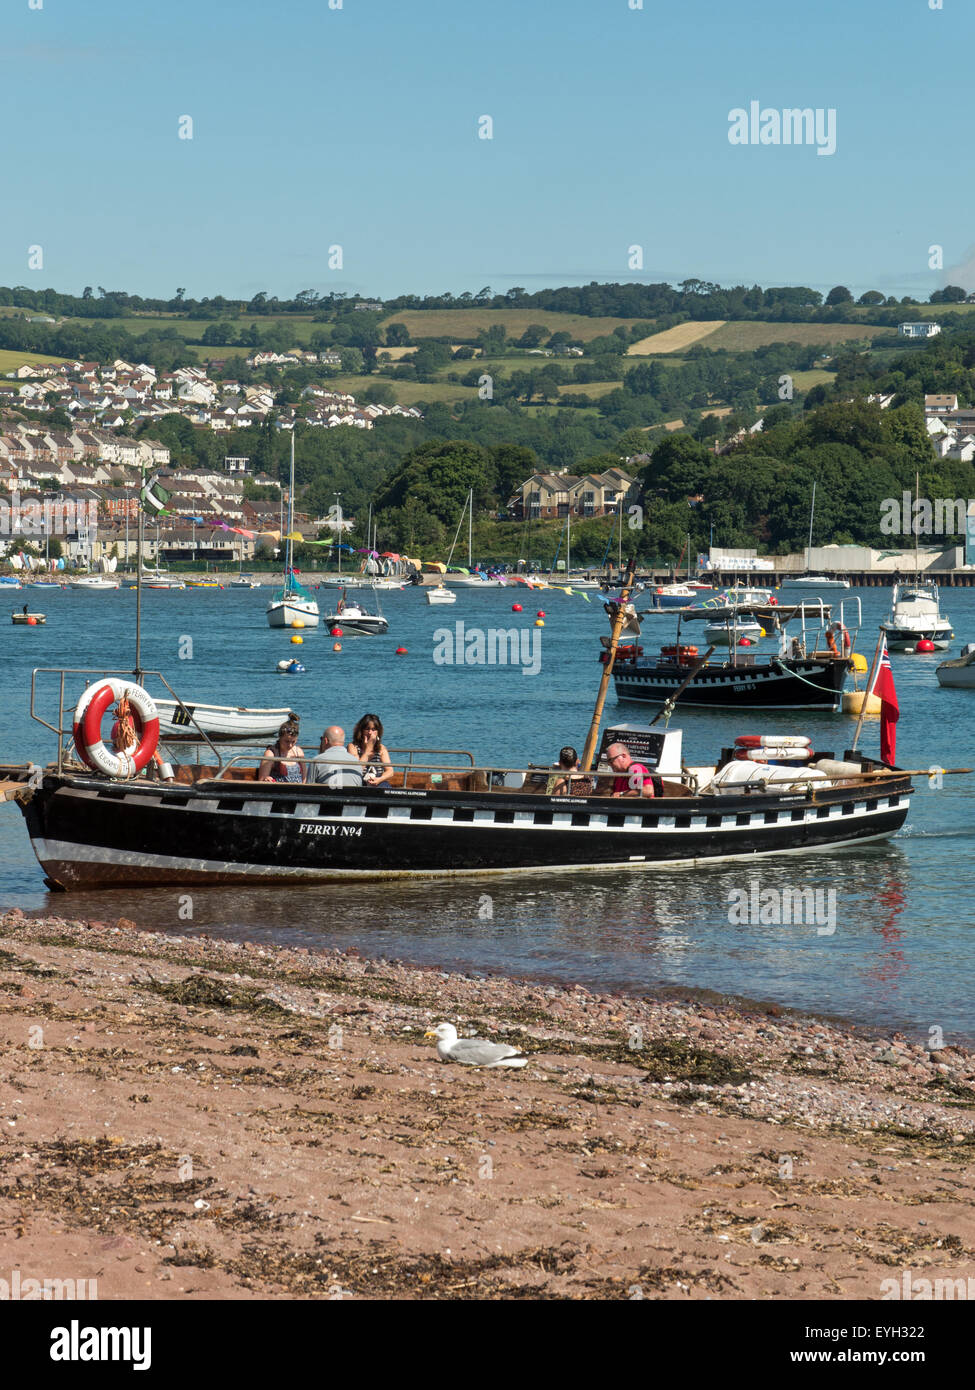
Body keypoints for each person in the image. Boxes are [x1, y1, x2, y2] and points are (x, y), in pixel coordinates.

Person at [348, 714, 394, 787]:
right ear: (361, 730)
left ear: (378, 732)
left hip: (378, 781)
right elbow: (356, 769)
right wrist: (367, 751)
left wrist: (379, 779)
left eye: (373, 729)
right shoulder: (353, 747)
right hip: (360, 781)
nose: (370, 732)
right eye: (367, 729)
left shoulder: (381, 748)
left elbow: (390, 771)